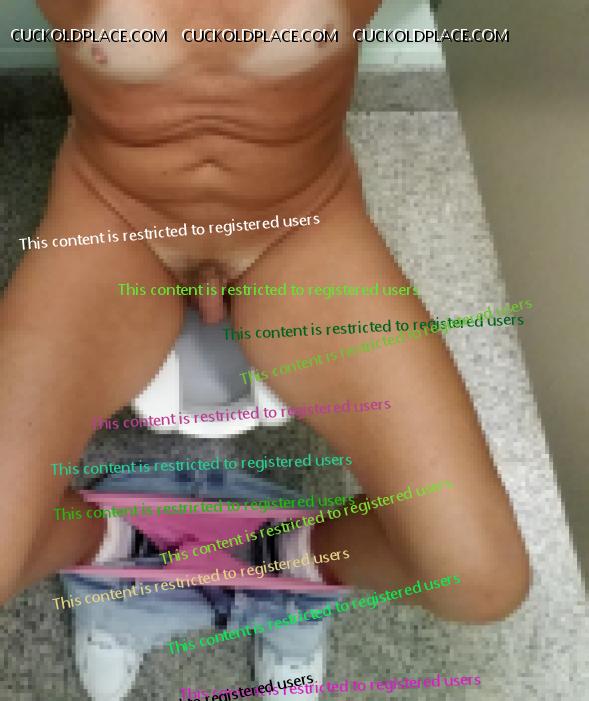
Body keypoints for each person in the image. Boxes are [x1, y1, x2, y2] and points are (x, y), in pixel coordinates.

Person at [1, 0, 530, 638]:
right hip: (114, 217)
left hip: (301, 222)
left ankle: (290, 555)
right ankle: (113, 541)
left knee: (478, 581)